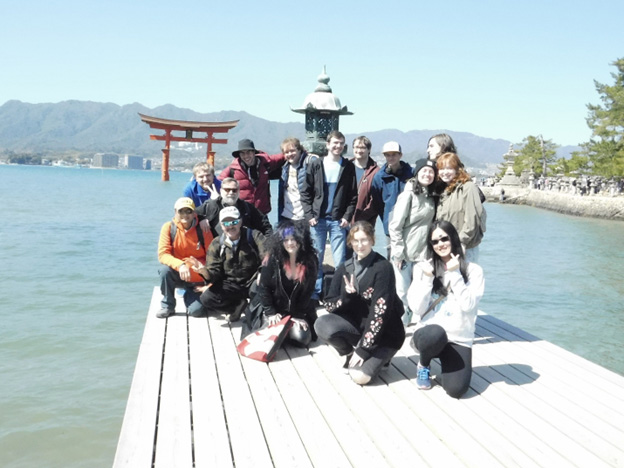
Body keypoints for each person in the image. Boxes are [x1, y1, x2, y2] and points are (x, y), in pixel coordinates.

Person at [314, 221, 405, 385]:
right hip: (360, 328)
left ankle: (383, 356)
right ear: (350, 242)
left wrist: (364, 350)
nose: (360, 245)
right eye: (355, 240)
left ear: (372, 240)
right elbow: (329, 304)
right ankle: (349, 353)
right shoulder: (344, 268)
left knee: (360, 377)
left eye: (364, 240)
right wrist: (347, 297)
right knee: (322, 324)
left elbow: (380, 314)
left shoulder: (383, 268)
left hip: (387, 334)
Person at [407, 220, 485, 398]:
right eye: (435, 241)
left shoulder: (474, 271)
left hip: (458, 338)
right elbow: (417, 309)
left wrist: (455, 273)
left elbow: (468, 305)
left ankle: (446, 362)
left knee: (457, 390)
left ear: (453, 239)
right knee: (435, 333)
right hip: (430, 334)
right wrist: (427, 279)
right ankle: (424, 365)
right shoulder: (423, 268)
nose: (440, 244)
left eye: (444, 239)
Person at [301, 130, 358, 300]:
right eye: (335, 143)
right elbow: (306, 192)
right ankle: (315, 292)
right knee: (316, 258)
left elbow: (353, 196)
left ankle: (337, 293)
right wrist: (309, 215)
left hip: (337, 221)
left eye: (341, 143)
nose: (338, 146)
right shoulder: (316, 164)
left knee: (340, 260)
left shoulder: (347, 167)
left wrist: (347, 217)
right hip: (317, 220)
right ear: (328, 145)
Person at [189, 206, 265, 321]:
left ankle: (257, 314)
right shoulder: (216, 244)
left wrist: (262, 272)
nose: (230, 226)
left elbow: (269, 257)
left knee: (261, 288)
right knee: (207, 298)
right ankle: (236, 307)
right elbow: (214, 273)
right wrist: (205, 272)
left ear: (240, 222)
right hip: (231, 285)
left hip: (253, 281)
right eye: (225, 223)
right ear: (221, 225)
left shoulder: (254, 236)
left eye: (234, 222)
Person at [251, 220, 319, 347]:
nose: (290, 243)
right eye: (286, 239)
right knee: (270, 340)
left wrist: (297, 315)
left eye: (294, 239)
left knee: (302, 339)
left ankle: (287, 331)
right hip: (273, 307)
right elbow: (263, 287)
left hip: (297, 308)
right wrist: (270, 312)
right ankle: (283, 330)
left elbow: (308, 292)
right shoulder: (272, 258)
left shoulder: (310, 260)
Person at [388, 158, 437, 325]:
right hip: (404, 252)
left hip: (423, 252)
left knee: (421, 291)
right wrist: (398, 252)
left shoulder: (431, 196)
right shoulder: (408, 195)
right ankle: (401, 325)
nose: (428, 174)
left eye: (431, 172)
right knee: (402, 292)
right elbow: (395, 226)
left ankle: (420, 322)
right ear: (417, 173)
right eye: (424, 171)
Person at [157, 197, 214, 319]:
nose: (185, 215)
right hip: (179, 273)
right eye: (181, 211)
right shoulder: (168, 228)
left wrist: (209, 283)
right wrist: (181, 265)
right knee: (164, 271)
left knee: (196, 312)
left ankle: (192, 298)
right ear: (175, 212)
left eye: (188, 211)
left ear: (194, 213)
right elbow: (163, 254)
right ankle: (168, 305)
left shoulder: (203, 229)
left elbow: (212, 257)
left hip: (197, 279)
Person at [436, 152, 485, 262]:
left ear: (457, 169)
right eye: (442, 169)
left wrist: (462, 242)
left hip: (465, 247)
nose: (445, 172)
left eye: (449, 168)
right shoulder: (444, 190)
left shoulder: (468, 187)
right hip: (445, 246)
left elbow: (472, 218)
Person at [217, 138, 285, 215]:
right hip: (243, 213)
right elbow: (218, 182)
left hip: (262, 213)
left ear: (254, 152)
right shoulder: (233, 169)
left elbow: (285, 155)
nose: (246, 156)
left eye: (248, 152)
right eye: (242, 153)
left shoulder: (266, 162)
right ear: (239, 155)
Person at [371, 141, 414, 257]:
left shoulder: (412, 174)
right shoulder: (379, 177)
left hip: (410, 222)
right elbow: (377, 203)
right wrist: (386, 217)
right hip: (391, 225)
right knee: (393, 256)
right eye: (388, 155)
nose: (391, 157)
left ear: (400, 155)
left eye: (394, 154)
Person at [195, 177, 272, 238]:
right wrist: (201, 219)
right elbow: (192, 214)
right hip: (218, 248)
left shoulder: (247, 207)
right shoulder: (211, 205)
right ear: (221, 191)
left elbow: (265, 225)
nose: (231, 193)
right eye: (227, 190)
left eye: (234, 190)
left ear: (238, 191)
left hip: (245, 250)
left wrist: (267, 247)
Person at [277, 137, 314, 222]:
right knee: (286, 235)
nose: (290, 154)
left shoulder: (308, 165)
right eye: (286, 152)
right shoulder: (284, 169)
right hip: (286, 216)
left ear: (299, 150)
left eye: (292, 151)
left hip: (304, 217)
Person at [350, 136, 380, 225]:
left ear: (369, 150)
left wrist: (362, 219)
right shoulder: (346, 168)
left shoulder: (375, 172)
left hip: (365, 223)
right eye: (356, 147)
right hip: (342, 222)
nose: (359, 151)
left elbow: (375, 201)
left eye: (362, 148)